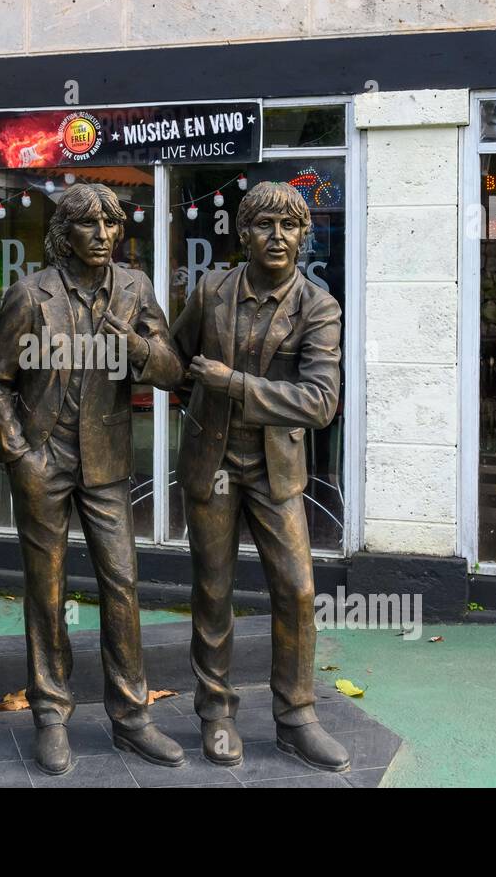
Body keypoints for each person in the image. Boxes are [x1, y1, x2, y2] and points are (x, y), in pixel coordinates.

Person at [0, 183, 186, 775]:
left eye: (111, 225)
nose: (103, 235)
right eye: (90, 225)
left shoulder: (135, 289)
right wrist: (18, 455)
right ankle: (50, 714)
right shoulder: (29, 295)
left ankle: (130, 716)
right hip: (44, 459)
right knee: (46, 590)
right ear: (63, 234)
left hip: (106, 462)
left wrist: (137, 346)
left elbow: (173, 370)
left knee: (121, 582)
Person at [169, 180, 349, 772]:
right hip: (212, 462)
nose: (278, 237)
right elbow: (177, 364)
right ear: (242, 233)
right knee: (213, 590)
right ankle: (216, 713)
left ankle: (296, 716)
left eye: (290, 227)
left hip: (275, 470)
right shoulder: (211, 290)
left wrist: (234, 385)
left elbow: (320, 402)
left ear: (303, 237)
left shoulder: (319, 308)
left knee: (297, 591)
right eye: (265, 226)